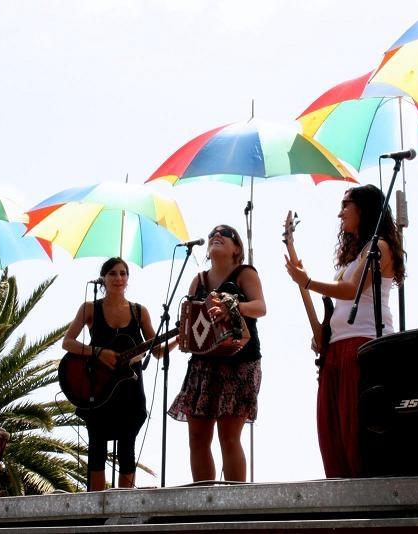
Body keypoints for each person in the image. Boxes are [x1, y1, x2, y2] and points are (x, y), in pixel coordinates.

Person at [284, 184, 405, 478]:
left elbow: (352, 289)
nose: (340, 214)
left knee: (355, 431)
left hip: (363, 346)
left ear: (363, 208)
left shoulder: (380, 247)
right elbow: (333, 306)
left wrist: (308, 281)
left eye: (345, 205)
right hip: (336, 349)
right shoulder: (354, 258)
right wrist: (294, 258)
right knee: (332, 432)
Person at [61, 257, 174, 491]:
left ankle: (124, 504)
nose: (118, 278)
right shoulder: (90, 308)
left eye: (123, 273)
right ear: (103, 278)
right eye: (112, 273)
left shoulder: (139, 312)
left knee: (127, 449)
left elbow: (157, 352)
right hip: (98, 388)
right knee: (97, 448)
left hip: (130, 391)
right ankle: (95, 506)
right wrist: (98, 352)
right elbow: (68, 342)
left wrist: (179, 339)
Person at [168, 224, 266, 483]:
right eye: (213, 234)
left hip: (239, 361)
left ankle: (236, 501)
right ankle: (204, 499)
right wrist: (179, 338)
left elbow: (260, 307)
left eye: (226, 234)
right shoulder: (198, 280)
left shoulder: (245, 273)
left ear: (237, 248)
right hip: (202, 365)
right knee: (197, 437)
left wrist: (232, 307)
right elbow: (188, 321)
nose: (217, 235)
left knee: (229, 436)